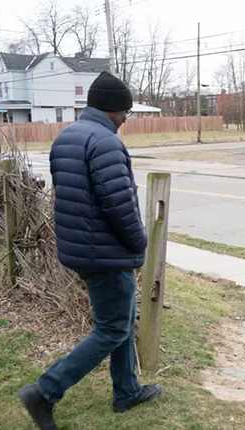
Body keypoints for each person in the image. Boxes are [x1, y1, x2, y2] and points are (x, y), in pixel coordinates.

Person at [17, 71, 161, 430]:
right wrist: (140, 244)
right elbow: (120, 205)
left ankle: (126, 391)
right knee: (112, 329)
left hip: (82, 250)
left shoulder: (67, 137)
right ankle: (44, 391)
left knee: (122, 322)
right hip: (105, 254)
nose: (127, 118)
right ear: (114, 110)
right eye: (126, 111)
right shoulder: (106, 142)